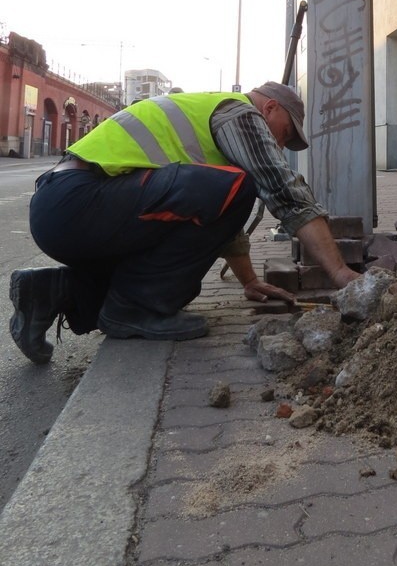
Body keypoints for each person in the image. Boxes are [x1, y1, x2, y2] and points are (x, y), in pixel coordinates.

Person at [9, 83, 360, 364]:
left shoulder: (205, 122)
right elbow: (283, 189)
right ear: (269, 108)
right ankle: (133, 308)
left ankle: (53, 293)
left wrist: (249, 281)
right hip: (78, 202)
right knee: (242, 186)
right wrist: (340, 273)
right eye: (282, 134)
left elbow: (217, 216)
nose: (278, 145)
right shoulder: (238, 112)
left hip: (65, 208)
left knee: (176, 285)